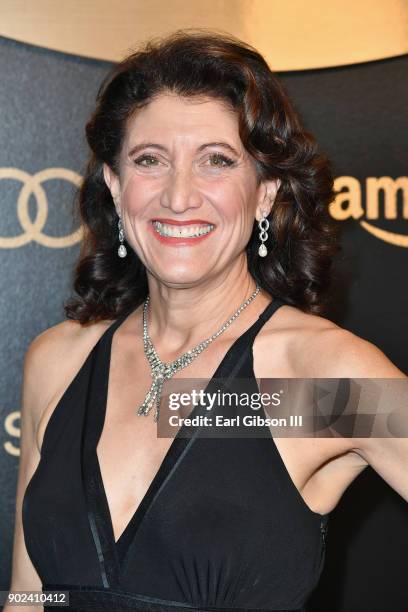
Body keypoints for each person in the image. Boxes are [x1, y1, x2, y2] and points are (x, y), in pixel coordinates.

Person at [7, 29, 407, 612]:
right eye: (150, 160)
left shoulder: (317, 379)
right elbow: (27, 593)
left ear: (265, 193)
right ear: (116, 188)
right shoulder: (58, 361)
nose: (178, 195)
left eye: (216, 161)